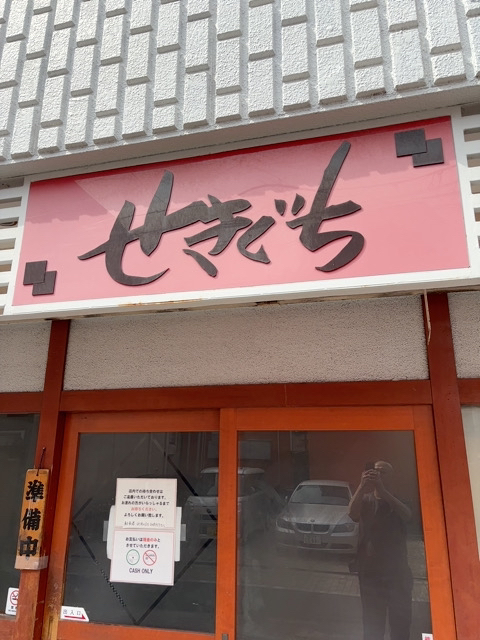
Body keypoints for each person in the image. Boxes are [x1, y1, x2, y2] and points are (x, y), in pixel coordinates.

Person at [349, 461, 413, 640]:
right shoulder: (366, 500)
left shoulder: (401, 501)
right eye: (374, 471)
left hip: (397, 574)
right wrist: (361, 486)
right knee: (372, 626)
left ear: (392, 477)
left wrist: (383, 492)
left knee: (400, 625)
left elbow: (407, 515)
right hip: (371, 575)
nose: (377, 475)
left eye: (382, 472)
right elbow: (352, 513)